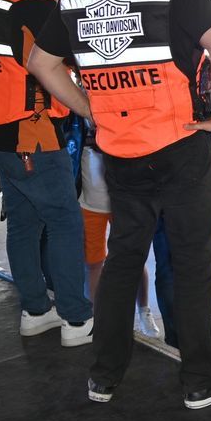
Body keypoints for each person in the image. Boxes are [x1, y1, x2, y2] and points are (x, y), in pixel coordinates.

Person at [29, 0, 211, 409]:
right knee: (192, 260)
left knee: (123, 258)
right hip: (179, 145)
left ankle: (104, 376)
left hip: (118, 152)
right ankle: (199, 380)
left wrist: (90, 108)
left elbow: (41, 63)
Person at [0, 0, 94, 347]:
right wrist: (90, 108)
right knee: (65, 221)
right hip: (30, 131)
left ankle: (36, 311)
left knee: (24, 223)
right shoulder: (38, 5)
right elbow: (72, 60)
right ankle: (76, 318)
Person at [74, 120, 160, 338]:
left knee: (134, 258)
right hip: (89, 204)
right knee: (93, 263)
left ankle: (143, 310)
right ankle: (96, 318)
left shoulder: (117, 113)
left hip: (123, 202)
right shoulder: (77, 121)